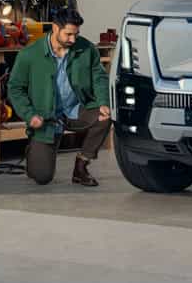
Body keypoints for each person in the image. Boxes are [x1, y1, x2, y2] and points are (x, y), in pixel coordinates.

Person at [6, 10, 112, 186]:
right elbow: (15, 88)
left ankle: (81, 166)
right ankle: (35, 150)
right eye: (68, 34)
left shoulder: (86, 49)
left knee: (104, 118)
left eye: (76, 34)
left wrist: (103, 102)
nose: (73, 39)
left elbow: (99, 77)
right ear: (55, 28)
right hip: (46, 118)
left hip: (76, 110)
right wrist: (29, 114)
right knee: (42, 177)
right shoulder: (29, 54)